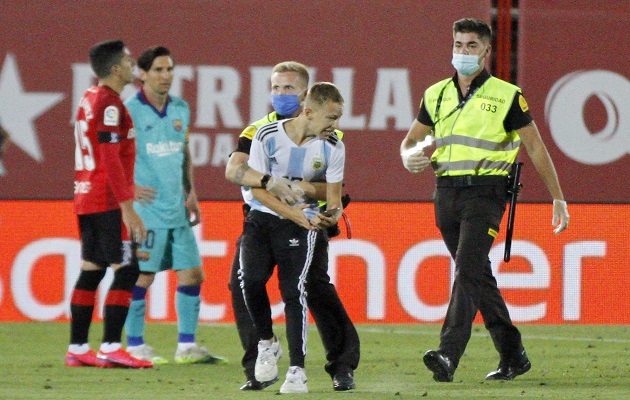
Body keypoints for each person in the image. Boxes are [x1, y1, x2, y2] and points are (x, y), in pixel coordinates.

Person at [400, 18, 570, 382]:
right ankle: (513, 354)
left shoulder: (507, 95)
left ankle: (448, 353)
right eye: (458, 45)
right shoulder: (435, 94)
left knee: (465, 269)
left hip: (487, 192)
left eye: (472, 46)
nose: (463, 52)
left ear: (487, 51)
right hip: (446, 193)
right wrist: (409, 155)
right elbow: (412, 140)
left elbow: (536, 148)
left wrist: (558, 197)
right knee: (477, 275)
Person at [225, 62, 359, 392]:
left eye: (289, 88)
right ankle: (257, 364)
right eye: (275, 88)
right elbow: (235, 171)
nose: (280, 95)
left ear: (305, 97)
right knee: (242, 283)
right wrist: (273, 182)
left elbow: (332, 189)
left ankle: (341, 365)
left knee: (315, 287)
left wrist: (290, 187)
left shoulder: (327, 131)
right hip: (262, 217)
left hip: (307, 222)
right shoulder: (258, 131)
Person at [123, 46, 225, 365]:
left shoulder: (180, 107)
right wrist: (128, 188)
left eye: (170, 69)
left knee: (193, 275)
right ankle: (135, 346)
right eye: (158, 70)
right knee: (142, 277)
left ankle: (186, 347)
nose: (166, 76)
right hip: (147, 210)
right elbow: (109, 155)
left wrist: (190, 190)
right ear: (142, 74)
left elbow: (183, 152)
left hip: (176, 207)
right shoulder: (129, 111)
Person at [66, 39, 152, 369]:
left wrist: (129, 187)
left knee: (93, 269)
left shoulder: (90, 97)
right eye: (129, 61)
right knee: (128, 269)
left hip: (86, 194)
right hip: (106, 200)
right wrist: (127, 206)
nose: (134, 66)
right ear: (116, 69)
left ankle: (77, 347)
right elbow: (109, 157)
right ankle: (112, 346)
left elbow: (101, 158)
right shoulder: (110, 103)